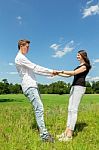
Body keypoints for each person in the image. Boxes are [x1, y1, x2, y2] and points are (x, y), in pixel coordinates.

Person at [15, 39, 56, 142]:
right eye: (27, 47)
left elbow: (35, 70)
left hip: (33, 86)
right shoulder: (20, 58)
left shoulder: (23, 58)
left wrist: (50, 74)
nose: (28, 49)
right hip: (29, 86)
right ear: (21, 46)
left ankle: (44, 133)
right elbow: (35, 68)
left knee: (39, 108)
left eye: (29, 47)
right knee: (39, 109)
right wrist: (51, 71)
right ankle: (44, 136)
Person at [56, 50, 91, 142]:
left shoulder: (85, 66)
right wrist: (57, 74)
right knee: (70, 109)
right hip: (74, 87)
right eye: (77, 55)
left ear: (83, 56)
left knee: (74, 110)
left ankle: (69, 135)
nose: (77, 57)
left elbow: (73, 73)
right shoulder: (78, 66)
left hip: (79, 87)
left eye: (79, 55)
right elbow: (69, 76)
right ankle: (66, 131)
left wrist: (61, 70)